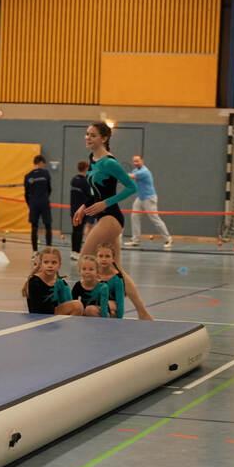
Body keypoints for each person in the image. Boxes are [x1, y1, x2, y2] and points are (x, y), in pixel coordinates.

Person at [71, 122, 153, 320]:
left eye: (92, 135)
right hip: (102, 214)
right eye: (86, 134)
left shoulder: (109, 162)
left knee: (84, 259)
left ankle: (97, 302)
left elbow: (130, 188)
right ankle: (142, 312)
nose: (87, 138)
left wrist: (105, 203)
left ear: (104, 138)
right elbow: (95, 191)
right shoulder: (93, 159)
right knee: (117, 268)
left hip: (111, 217)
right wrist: (84, 206)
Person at [125, 155, 173, 249]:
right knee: (134, 216)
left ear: (142, 161)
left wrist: (119, 173)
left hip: (149, 198)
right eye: (134, 161)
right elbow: (130, 178)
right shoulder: (136, 170)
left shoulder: (144, 172)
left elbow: (131, 176)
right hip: (140, 198)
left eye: (137, 161)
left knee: (155, 218)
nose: (135, 163)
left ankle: (168, 238)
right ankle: (135, 240)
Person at [21, 247, 84, 316]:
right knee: (77, 305)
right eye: (46, 262)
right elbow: (35, 310)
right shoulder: (35, 282)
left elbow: (67, 303)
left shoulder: (61, 283)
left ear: (59, 265)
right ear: (41, 264)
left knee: (77, 306)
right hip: (39, 318)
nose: (50, 265)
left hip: (54, 317)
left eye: (54, 262)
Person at [24, 154, 52, 255]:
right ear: (40, 163)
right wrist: (44, 198)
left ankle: (34, 251)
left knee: (34, 227)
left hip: (33, 204)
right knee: (48, 225)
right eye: (43, 164)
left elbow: (26, 193)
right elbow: (49, 189)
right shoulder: (46, 174)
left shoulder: (28, 176)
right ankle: (49, 249)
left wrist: (31, 204)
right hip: (44, 202)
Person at [69, 160, 90, 260]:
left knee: (74, 231)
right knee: (79, 231)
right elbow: (90, 196)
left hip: (73, 210)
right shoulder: (85, 181)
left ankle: (73, 251)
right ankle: (77, 252)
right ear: (86, 168)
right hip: (81, 211)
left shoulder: (74, 180)